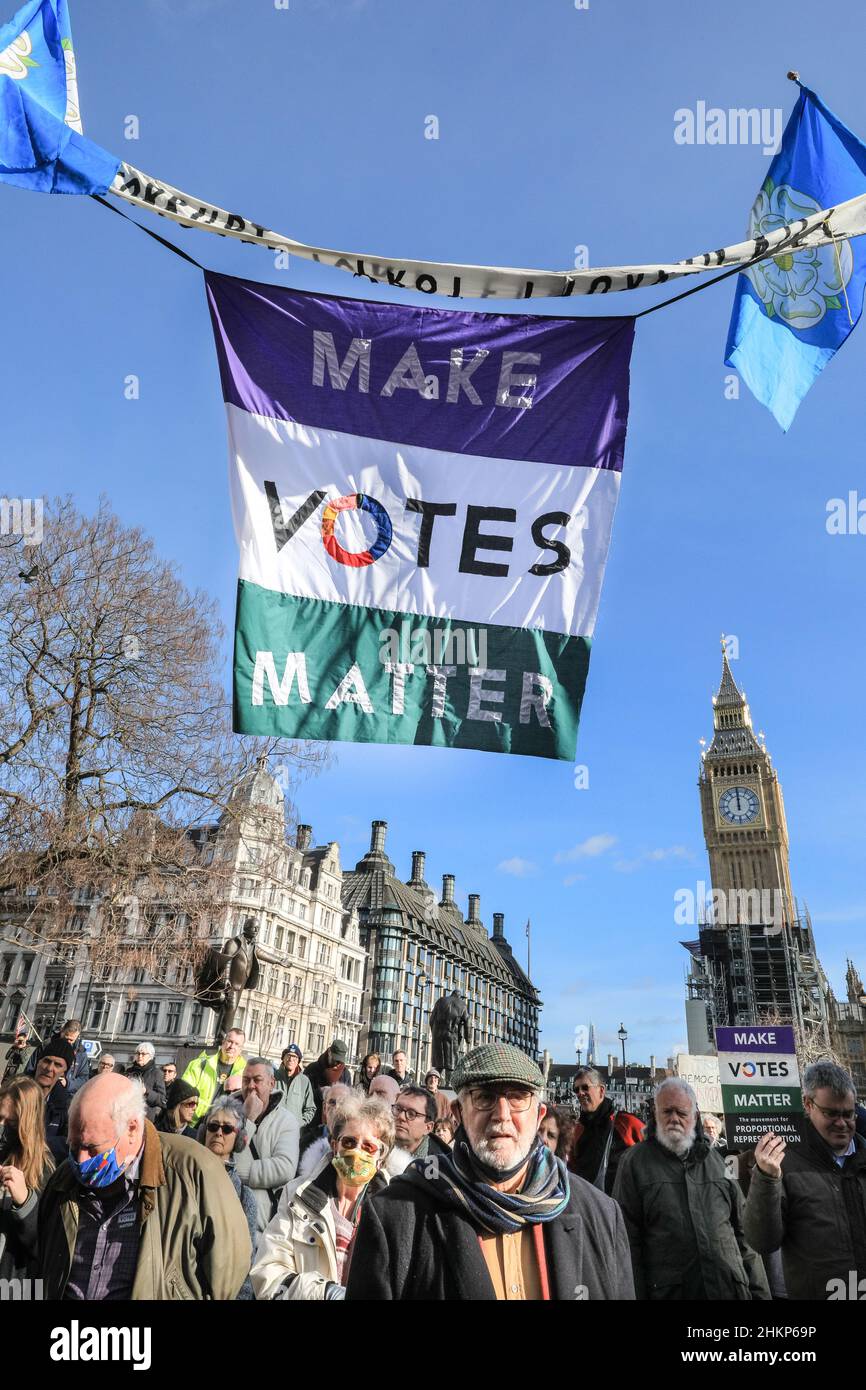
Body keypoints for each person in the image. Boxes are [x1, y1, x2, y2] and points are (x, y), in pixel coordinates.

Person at [347, 1043, 635, 1301]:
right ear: (458, 1113)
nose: (502, 1115)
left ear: (539, 1116)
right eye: (485, 1097)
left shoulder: (601, 1215)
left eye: (518, 1098)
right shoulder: (395, 1214)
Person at [37, 1073, 251, 1299]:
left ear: (132, 1128)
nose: (81, 1160)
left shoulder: (193, 1171)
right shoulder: (64, 1179)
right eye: (74, 1146)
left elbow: (229, 1271)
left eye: (92, 1148)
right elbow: (42, 1260)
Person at [612, 1079, 769, 1301]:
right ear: (655, 1114)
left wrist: (760, 1294)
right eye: (667, 1111)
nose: (674, 1119)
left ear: (694, 1116)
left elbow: (745, 1235)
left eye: (681, 1113)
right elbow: (626, 1243)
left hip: (728, 1290)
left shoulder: (717, 1162)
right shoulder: (634, 1163)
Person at [743, 1060, 866, 1301]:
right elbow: (763, 1241)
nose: (842, 1123)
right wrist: (767, 1179)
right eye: (831, 1113)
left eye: (848, 1114)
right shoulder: (784, 1163)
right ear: (808, 1105)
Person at [252, 1094, 395, 1300]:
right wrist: (324, 1292)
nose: (356, 1152)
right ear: (334, 1146)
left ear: (381, 1157)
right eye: (349, 1142)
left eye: (368, 1147)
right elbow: (268, 1273)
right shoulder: (297, 1196)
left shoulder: (394, 1210)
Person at [199, 1094, 258, 1300]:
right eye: (213, 1126)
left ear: (239, 1138)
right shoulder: (184, 1179)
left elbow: (246, 1264)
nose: (218, 1133)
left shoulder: (244, 1197)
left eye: (227, 1129)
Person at [234, 1058, 300, 1231]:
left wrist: (241, 1172)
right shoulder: (226, 1115)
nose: (251, 1086)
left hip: (263, 1225)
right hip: (227, 1215)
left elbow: (285, 1168)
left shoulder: (286, 1121)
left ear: (271, 1084)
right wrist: (248, 1121)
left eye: (257, 1080)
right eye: (246, 1080)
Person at [0, 1076, 54, 1282]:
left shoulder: (43, 1168)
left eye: (11, 1122)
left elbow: (44, 1247)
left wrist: (24, 1202)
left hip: (12, 1284)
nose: (2, 1128)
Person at [568, 1066, 644, 1194]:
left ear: (601, 1090)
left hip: (624, 1202)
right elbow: (572, 1169)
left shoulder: (626, 1123)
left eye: (585, 1087)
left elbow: (652, 1152)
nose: (580, 1093)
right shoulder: (577, 1131)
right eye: (576, 1089)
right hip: (589, 1202)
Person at [182, 1028, 247, 1125]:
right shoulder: (198, 1065)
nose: (232, 1046)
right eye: (230, 1041)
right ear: (223, 1042)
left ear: (241, 1049)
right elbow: (185, 1095)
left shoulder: (245, 1073)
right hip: (194, 1124)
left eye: (237, 1044)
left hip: (224, 1127)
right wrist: (211, 1111)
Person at [32, 1034, 74, 1162]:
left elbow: (69, 1142)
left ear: (64, 1072)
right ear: (38, 1062)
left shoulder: (68, 1107)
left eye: (58, 1065)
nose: (49, 1068)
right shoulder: (15, 1092)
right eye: (46, 1061)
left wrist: (37, 1144)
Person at [298, 1082, 353, 1178]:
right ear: (324, 1108)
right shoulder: (306, 1141)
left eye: (343, 1103)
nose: (337, 1107)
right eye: (332, 1102)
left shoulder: (356, 1143)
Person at [302, 1041, 353, 1140]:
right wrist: (320, 1092)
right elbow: (303, 1095)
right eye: (335, 1059)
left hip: (336, 1124)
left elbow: (348, 1099)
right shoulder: (312, 1069)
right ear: (329, 1052)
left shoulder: (345, 1074)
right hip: (312, 1122)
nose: (337, 1064)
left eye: (340, 1061)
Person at [26, 1019, 89, 1096]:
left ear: (77, 1037)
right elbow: (29, 1070)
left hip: (66, 1096)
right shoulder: (45, 1046)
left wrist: (68, 1083)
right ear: (62, 1031)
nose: (68, 1042)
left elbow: (84, 1078)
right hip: (39, 1092)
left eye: (71, 1040)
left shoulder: (81, 1053)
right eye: (66, 1038)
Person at [392, 1085, 449, 1161]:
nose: (401, 1117)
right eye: (398, 1109)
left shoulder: (440, 1165)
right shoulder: (377, 1146)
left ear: (428, 1127)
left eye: (411, 1114)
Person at [274, 1044, 316, 1129]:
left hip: (294, 1132)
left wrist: (300, 1123)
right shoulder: (273, 1077)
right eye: (288, 1055)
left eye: (294, 1057)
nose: (291, 1059)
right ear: (283, 1058)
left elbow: (310, 1108)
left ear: (298, 1061)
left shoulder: (304, 1081)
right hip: (273, 1129)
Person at [125, 1043, 166, 1122]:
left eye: (143, 1054)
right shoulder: (129, 1071)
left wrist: (146, 1092)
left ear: (150, 1056)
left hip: (145, 1118)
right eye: (138, 1053)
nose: (140, 1056)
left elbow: (162, 1100)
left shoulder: (157, 1073)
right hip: (127, 1115)